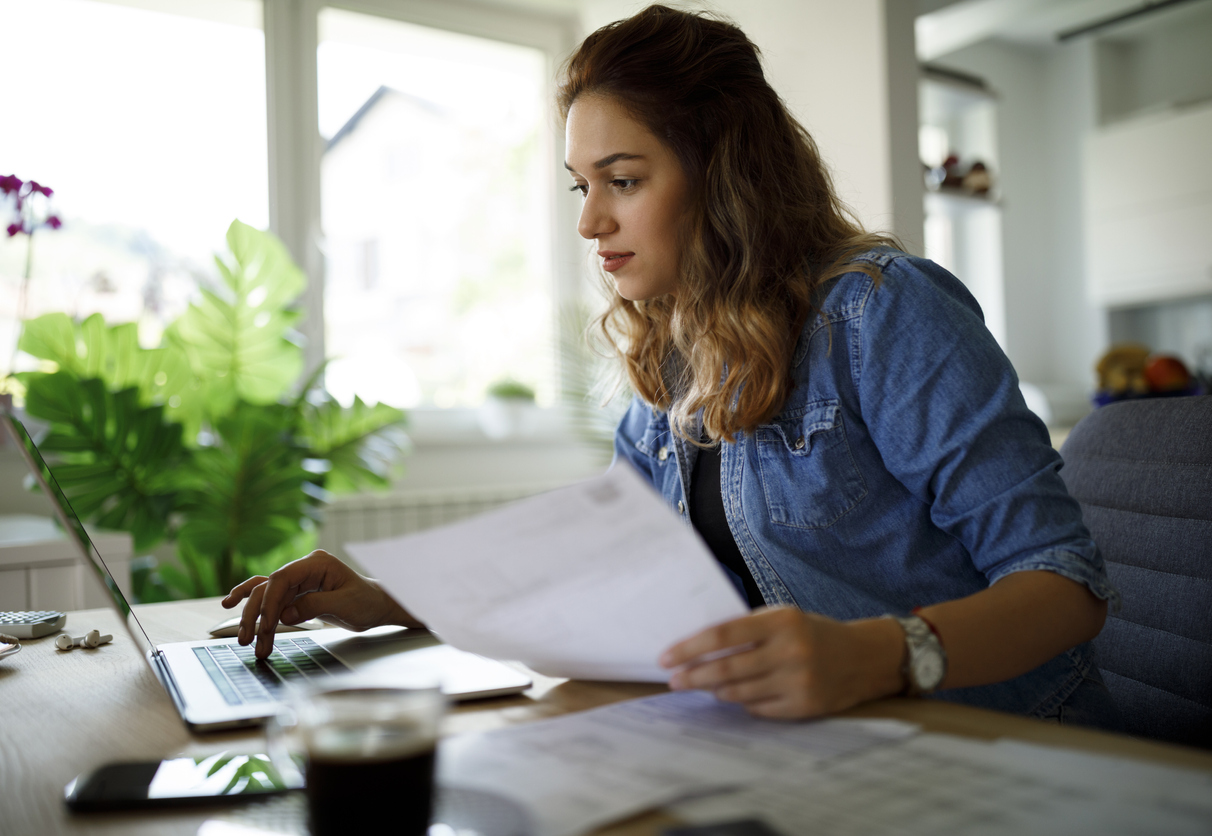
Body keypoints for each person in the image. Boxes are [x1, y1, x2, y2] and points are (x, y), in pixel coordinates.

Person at [223, 5, 1122, 728]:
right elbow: (610, 571)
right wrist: (386, 598)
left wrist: (879, 652)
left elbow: (1063, 585)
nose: (589, 222)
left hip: (1007, 740)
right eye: (583, 186)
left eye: (623, 179)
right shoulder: (671, 356)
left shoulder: (881, 311)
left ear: (723, 172)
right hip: (833, 752)